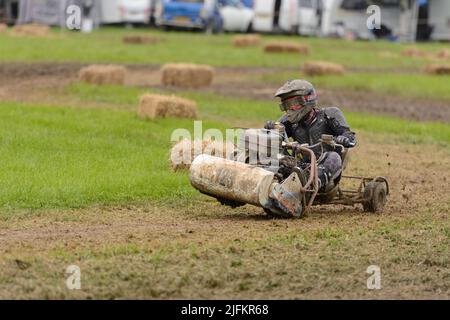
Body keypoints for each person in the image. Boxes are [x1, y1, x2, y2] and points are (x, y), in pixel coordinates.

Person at [265, 79, 356, 192]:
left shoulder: (329, 115)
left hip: (326, 172)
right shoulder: (288, 122)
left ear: (307, 100)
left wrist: (344, 138)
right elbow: (274, 137)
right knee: (274, 151)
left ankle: (312, 183)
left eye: (294, 104)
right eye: (286, 105)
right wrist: (271, 129)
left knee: (334, 156)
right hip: (299, 166)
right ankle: (267, 180)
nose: (290, 109)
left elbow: (350, 137)